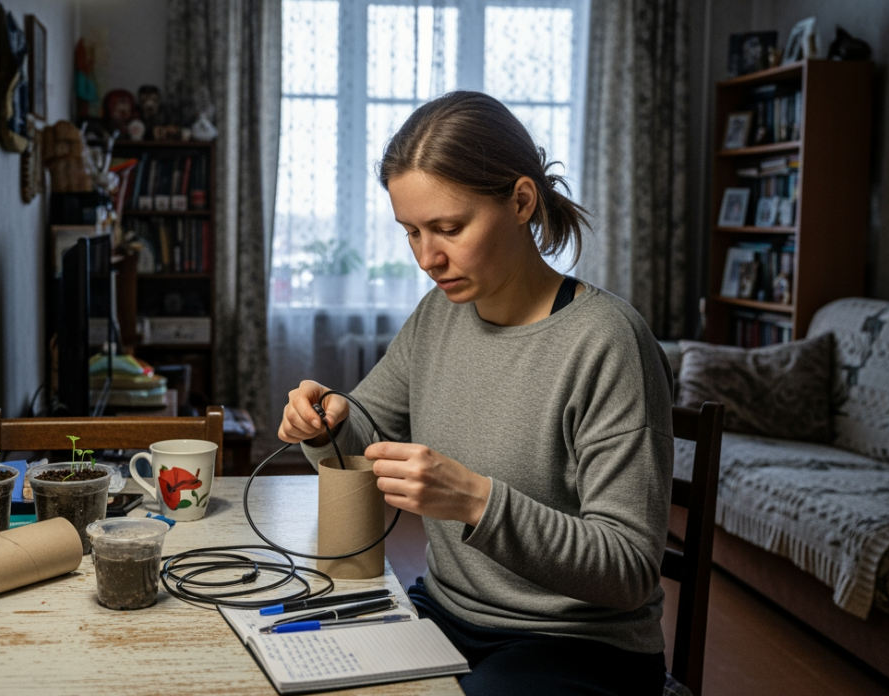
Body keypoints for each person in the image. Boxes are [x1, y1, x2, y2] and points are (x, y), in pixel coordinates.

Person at [278, 91, 674, 696]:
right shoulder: (438, 315)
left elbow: (630, 569)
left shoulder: (608, 342)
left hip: (579, 647)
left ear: (520, 201)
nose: (427, 258)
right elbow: (364, 432)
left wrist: (477, 502)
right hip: (444, 614)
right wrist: (326, 421)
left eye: (448, 228)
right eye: (410, 232)